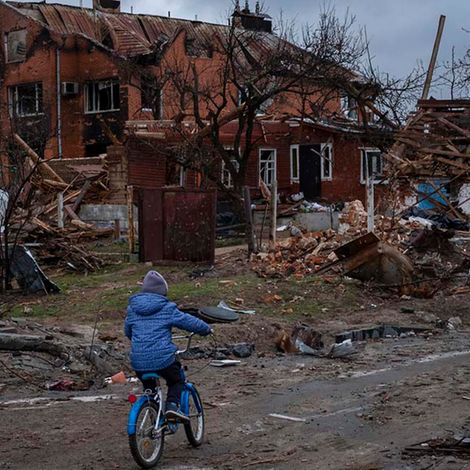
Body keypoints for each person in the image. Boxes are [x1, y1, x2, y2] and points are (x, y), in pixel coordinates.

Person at [125, 270, 211, 421]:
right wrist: (206, 329)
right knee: (176, 380)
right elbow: (189, 321)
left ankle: (153, 415)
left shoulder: (132, 309)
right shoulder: (167, 308)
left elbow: (128, 331)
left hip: (138, 361)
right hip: (163, 360)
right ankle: (172, 406)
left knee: (150, 389)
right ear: (163, 291)